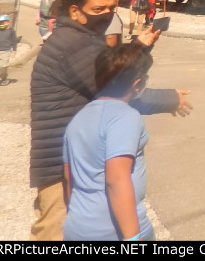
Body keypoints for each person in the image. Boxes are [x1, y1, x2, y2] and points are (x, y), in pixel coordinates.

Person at [29, 0, 192, 241]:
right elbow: (116, 91)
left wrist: (139, 46)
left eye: (111, 8)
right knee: (54, 230)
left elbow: (107, 73)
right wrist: (170, 98)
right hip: (64, 160)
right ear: (74, 11)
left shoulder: (75, 37)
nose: (106, 15)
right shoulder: (75, 45)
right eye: (98, 9)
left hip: (73, 155)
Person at [62, 45, 155, 241]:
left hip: (78, 226)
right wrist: (132, 238)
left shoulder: (78, 118)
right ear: (136, 84)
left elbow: (69, 177)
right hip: (113, 232)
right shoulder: (125, 116)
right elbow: (116, 179)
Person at [0, 14, 18, 85]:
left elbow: (14, 41)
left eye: (2, 22)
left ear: (8, 22)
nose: (0, 24)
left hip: (5, 51)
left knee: (2, 66)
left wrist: (14, 51)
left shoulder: (11, 31)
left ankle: (4, 78)